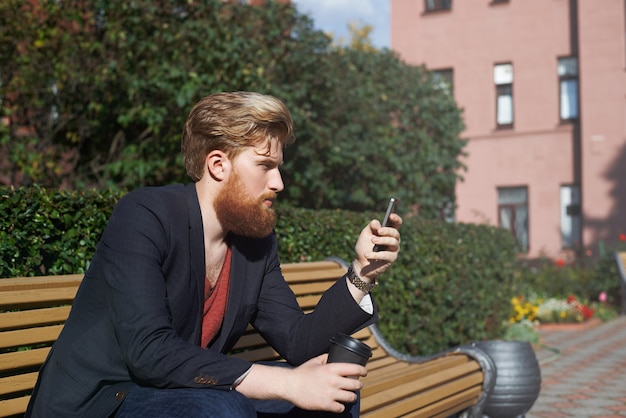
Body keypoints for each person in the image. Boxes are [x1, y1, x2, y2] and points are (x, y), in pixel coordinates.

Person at [25, 91, 402, 417]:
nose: (279, 183)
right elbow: (149, 351)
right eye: (265, 166)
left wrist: (362, 273)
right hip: (106, 399)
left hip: (182, 391)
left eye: (279, 168)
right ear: (218, 165)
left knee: (335, 396)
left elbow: (298, 342)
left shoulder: (255, 244)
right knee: (220, 409)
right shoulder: (144, 215)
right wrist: (286, 382)